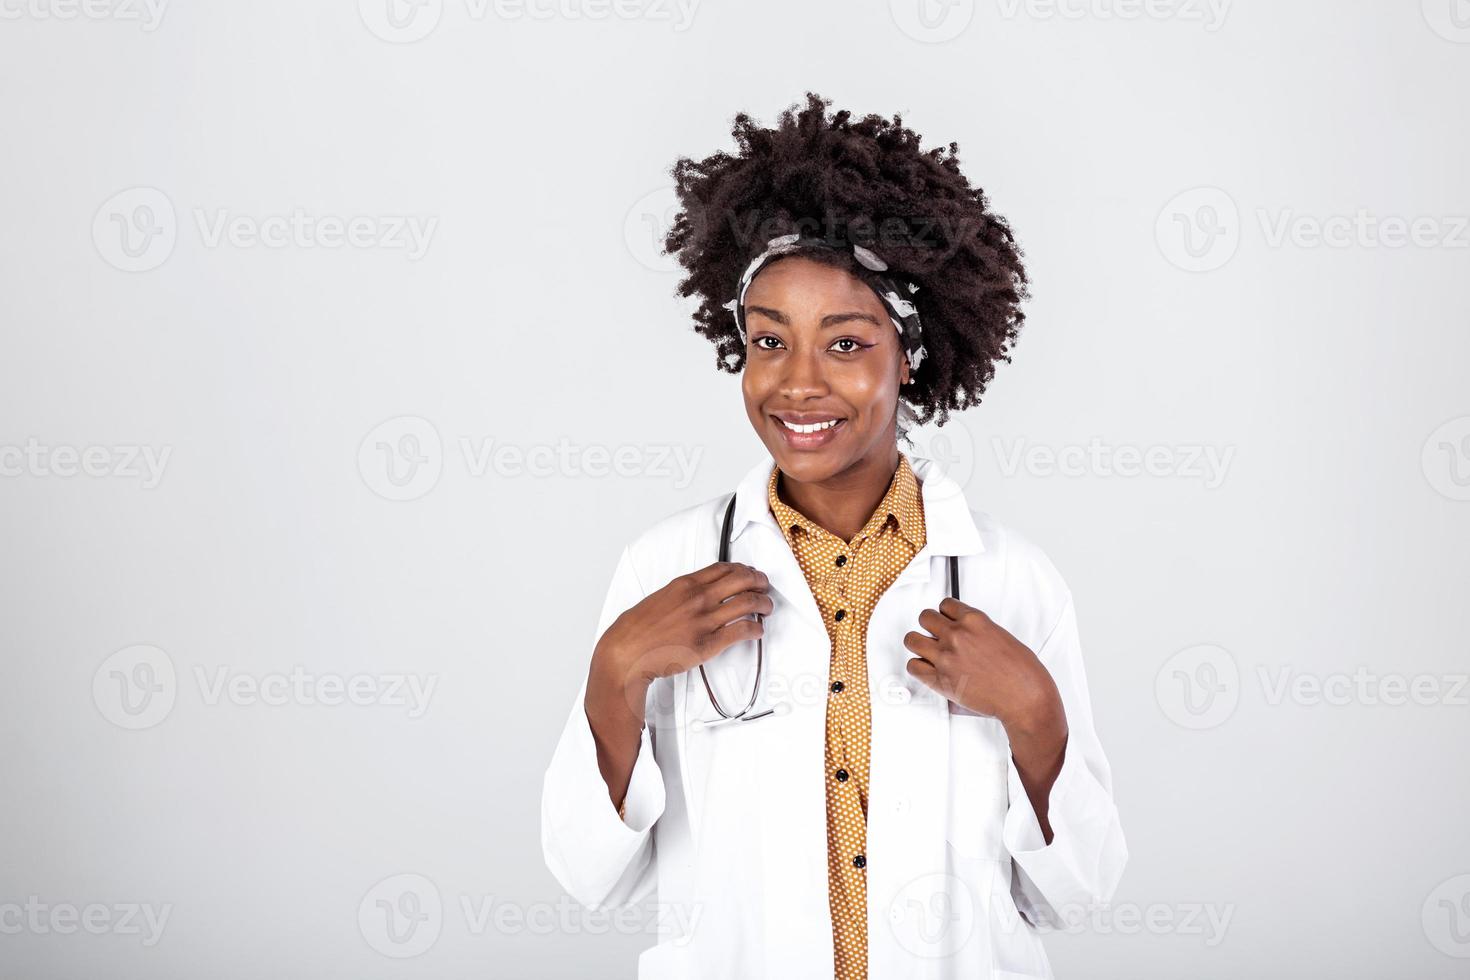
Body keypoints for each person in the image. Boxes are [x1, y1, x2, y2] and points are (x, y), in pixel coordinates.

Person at [541, 92, 1127, 980]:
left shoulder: (1010, 578)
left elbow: (1075, 895)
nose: (798, 384)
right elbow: (589, 874)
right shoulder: (665, 569)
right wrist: (614, 675)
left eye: (846, 345)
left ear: (911, 356)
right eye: (769, 342)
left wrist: (1036, 715)